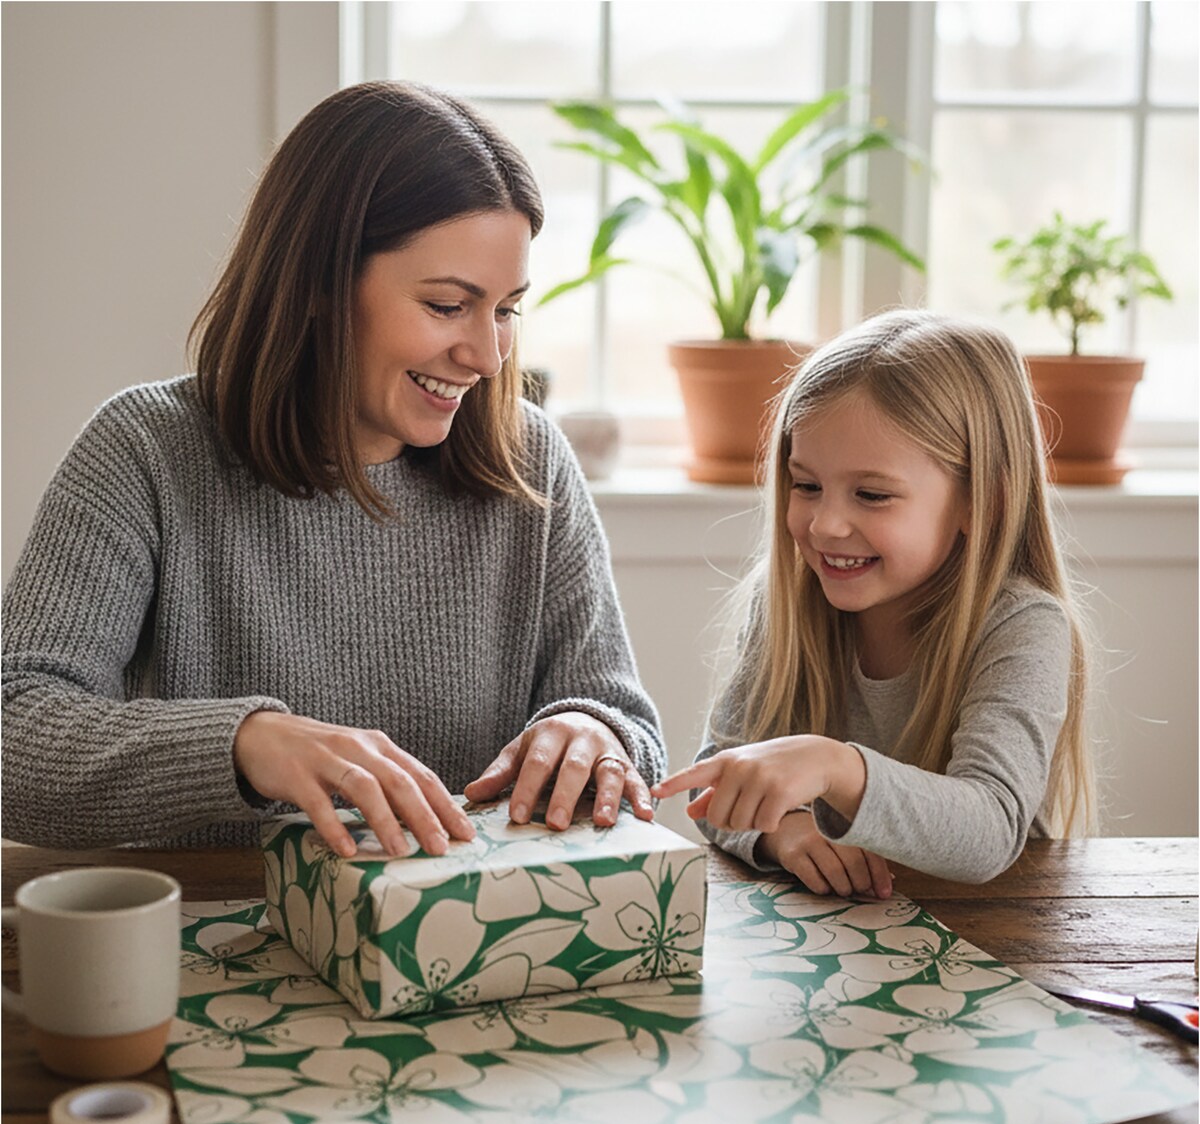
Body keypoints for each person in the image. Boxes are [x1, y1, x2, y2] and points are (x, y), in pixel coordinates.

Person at [2, 81, 665, 858]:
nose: (487, 357)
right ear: (319, 284)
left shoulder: (532, 461)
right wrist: (247, 743)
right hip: (227, 931)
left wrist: (592, 732)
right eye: (448, 306)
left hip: (474, 952)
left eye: (507, 309)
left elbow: (626, 723)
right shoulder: (146, 451)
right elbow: (14, 733)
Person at [653, 309, 1096, 894]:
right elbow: (716, 785)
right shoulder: (786, 604)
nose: (826, 525)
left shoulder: (1022, 624)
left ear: (981, 501)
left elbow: (990, 828)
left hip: (991, 941)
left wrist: (835, 767)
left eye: (872, 495)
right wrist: (782, 831)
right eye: (806, 485)